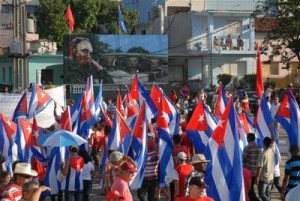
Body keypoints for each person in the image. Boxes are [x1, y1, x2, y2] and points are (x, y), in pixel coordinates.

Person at [137, 132, 159, 201]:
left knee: (150, 197)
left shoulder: (157, 153)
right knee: (141, 194)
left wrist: (156, 148)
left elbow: (162, 159)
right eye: (147, 138)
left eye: (150, 138)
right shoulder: (143, 153)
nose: (148, 139)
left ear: (153, 139)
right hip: (145, 178)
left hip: (153, 178)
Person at [255, 134, 275, 201]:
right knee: (268, 194)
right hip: (271, 177)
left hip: (263, 178)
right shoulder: (272, 150)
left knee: (261, 194)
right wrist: (271, 130)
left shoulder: (262, 154)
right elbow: (273, 141)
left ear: (263, 143)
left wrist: (257, 178)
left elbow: (260, 167)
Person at [242, 133, 261, 201]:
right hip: (255, 172)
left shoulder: (247, 147)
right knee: (251, 188)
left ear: (248, 138)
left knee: (249, 190)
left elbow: (243, 159)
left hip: (248, 172)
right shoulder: (257, 148)